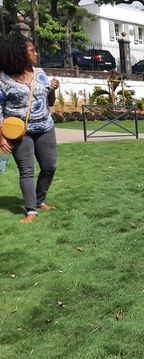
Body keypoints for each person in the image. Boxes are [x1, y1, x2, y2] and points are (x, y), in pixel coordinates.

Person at [0, 34, 60, 223]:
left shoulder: (40, 73)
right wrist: (2, 137)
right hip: (20, 132)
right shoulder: (3, 79)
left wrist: (53, 91)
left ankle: (40, 200)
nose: (36, 53)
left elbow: (49, 102)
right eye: (32, 51)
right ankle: (31, 210)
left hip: (45, 127)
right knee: (27, 171)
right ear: (20, 54)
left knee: (49, 167)